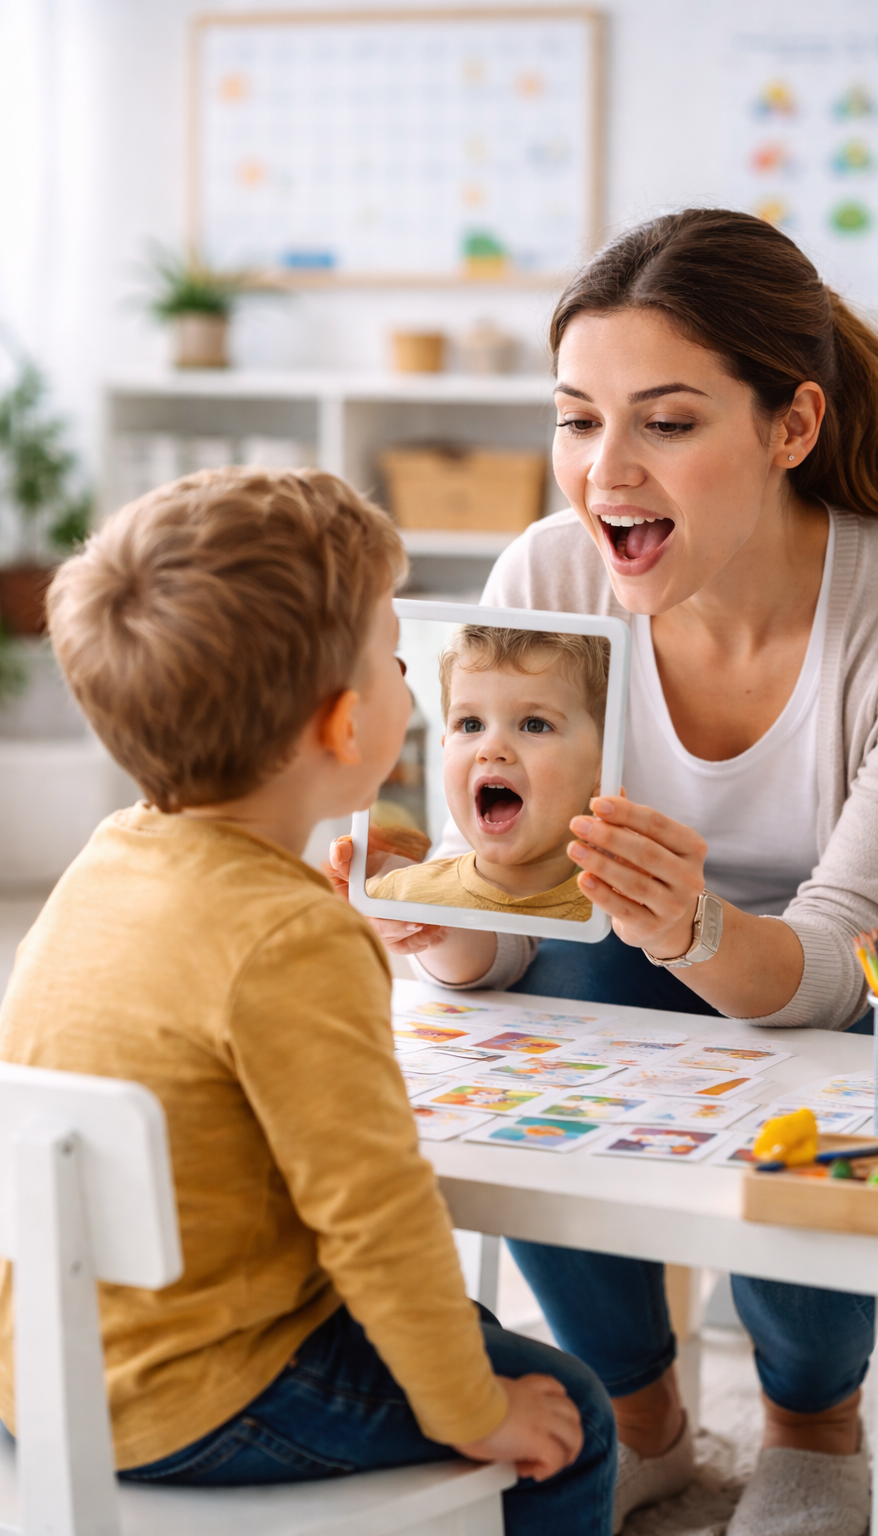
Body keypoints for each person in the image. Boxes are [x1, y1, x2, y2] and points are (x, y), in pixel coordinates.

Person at [352, 210, 878, 1536]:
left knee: (835, 1040)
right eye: (576, 418)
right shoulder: (547, 569)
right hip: (635, 949)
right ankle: (643, 1411)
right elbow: (525, 920)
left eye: (665, 421)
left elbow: (841, 957)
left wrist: (700, 925)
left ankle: (812, 1421)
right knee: (527, 1006)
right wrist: (445, 919)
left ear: (791, 425)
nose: (605, 472)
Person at [0, 468, 617, 1535]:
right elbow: (378, 1220)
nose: (412, 691)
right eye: (392, 662)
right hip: (207, 1395)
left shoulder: (104, 863)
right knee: (569, 1416)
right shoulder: (295, 939)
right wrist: (477, 1410)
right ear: (344, 726)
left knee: (453, 1327)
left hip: (47, 1371)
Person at [367, 626, 606, 924]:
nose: (491, 749)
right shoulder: (399, 900)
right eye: (470, 725)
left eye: (534, 725)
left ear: (604, 764)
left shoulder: (631, 907)